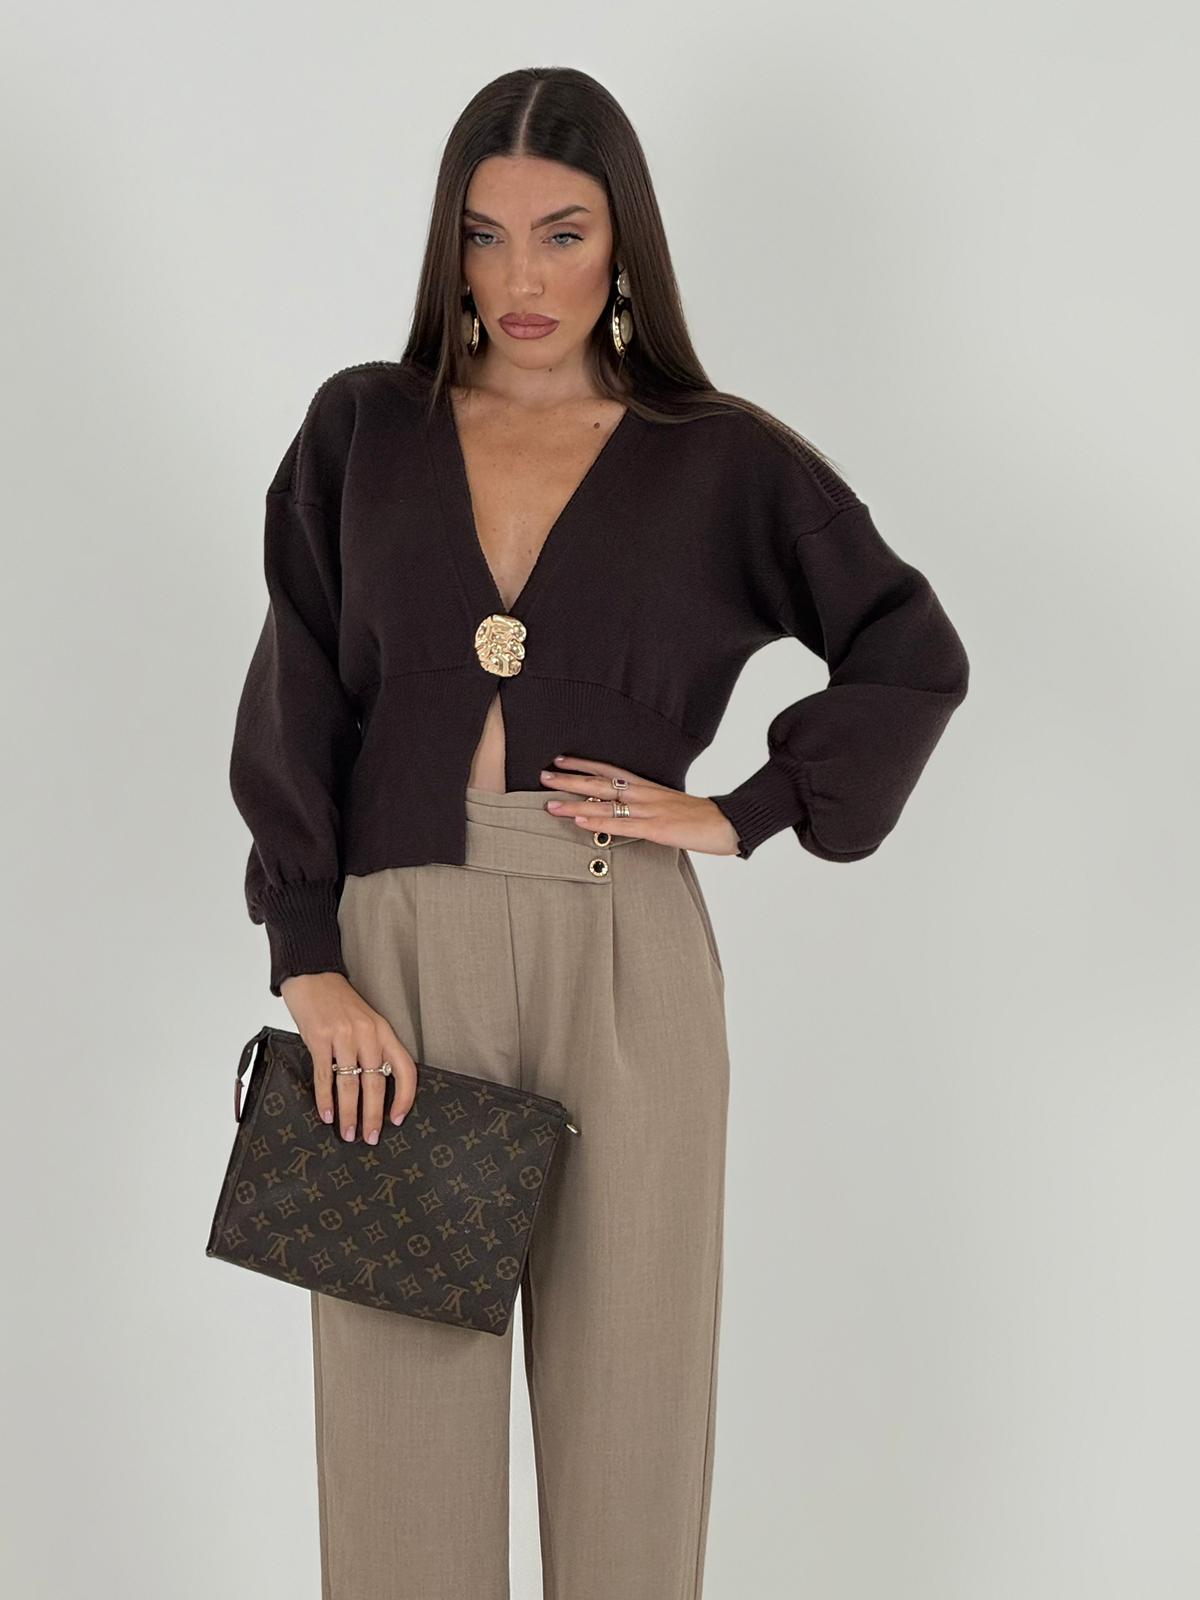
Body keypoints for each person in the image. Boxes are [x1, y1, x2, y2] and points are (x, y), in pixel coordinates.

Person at [228, 65, 969, 1600]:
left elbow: (910, 650)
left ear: (624, 242)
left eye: (562, 234)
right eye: (484, 235)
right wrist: (309, 960)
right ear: (448, 247)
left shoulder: (722, 458)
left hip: (628, 945)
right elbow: (297, 686)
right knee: (398, 1454)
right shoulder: (364, 429)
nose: (521, 278)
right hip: (400, 960)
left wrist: (749, 810)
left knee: (634, 1427)